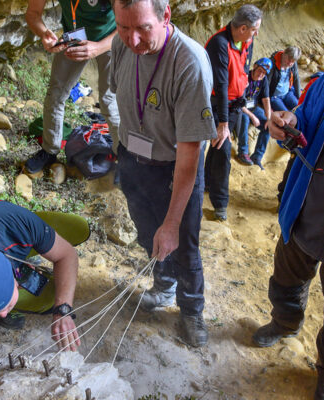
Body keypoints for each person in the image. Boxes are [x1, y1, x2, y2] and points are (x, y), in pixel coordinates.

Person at [110, 0, 216, 347]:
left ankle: (191, 310)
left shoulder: (189, 63)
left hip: (175, 167)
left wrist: (171, 222)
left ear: (165, 16)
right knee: (147, 232)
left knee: (182, 242)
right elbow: (121, 98)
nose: (132, 40)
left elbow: (190, 155)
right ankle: (164, 284)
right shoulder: (121, 43)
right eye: (123, 27)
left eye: (142, 28)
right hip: (134, 159)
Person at [252, 59, 324, 399]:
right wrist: (289, 123)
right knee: (287, 277)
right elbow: (303, 123)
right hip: (306, 209)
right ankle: (284, 323)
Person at [0, 199, 90, 351]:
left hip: (1, 225)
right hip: (1, 253)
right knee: (50, 298)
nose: (4, 314)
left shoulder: (13, 223)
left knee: (79, 228)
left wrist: (63, 310)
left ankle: (27, 256)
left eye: (5, 307)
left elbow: (67, 254)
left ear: (15, 280)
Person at [24, 0, 120, 174]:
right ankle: (49, 150)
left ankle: (124, 156)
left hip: (109, 40)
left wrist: (97, 48)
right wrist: (44, 33)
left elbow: (127, 26)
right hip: (75, 37)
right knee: (56, 94)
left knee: (109, 101)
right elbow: (33, 13)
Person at [204, 4, 262, 221]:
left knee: (217, 150)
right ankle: (220, 203)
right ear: (244, 28)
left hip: (235, 104)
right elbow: (220, 85)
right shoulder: (219, 43)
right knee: (224, 151)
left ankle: (207, 183)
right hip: (217, 105)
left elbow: (243, 70)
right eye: (255, 29)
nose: (257, 34)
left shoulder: (247, 41)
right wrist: (223, 124)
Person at [276, 48, 324, 204]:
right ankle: (282, 196)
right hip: (309, 155)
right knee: (293, 166)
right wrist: (295, 121)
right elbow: (304, 110)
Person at [236, 57, 272, 169]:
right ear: (255, 66)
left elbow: (266, 99)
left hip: (253, 107)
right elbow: (238, 101)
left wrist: (269, 118)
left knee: (269, 126)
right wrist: (252, 117)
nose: (261, 74)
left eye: (264, 73)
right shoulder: (245, 77)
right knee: (245, 119)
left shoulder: (263, 80)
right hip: (240, 107)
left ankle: (257, 156)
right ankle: (242, 152)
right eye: (260, 70)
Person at [268, 46, 301, 111]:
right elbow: (267, 83)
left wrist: (299, 97)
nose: (290, 63)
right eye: (289, 59)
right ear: (284, 53)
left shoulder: (293, 64)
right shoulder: (272, 63)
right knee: (286, 114)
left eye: (293, 61)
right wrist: (266, 102)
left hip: (287, 92)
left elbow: (296, 79)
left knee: (299, 109)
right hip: (275, 96)